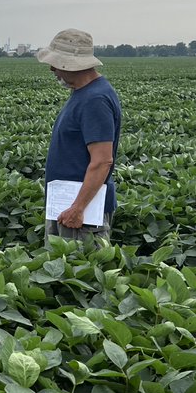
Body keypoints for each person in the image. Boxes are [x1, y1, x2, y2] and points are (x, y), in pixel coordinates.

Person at [37, 29, 122, 244]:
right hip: (68, 206)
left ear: (72, 64)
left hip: (81, 214)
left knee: (80, 268)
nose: (52, 69)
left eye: (56, 64)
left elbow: (103, 160)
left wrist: (78, 208)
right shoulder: (84, 93)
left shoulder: (95, 100)